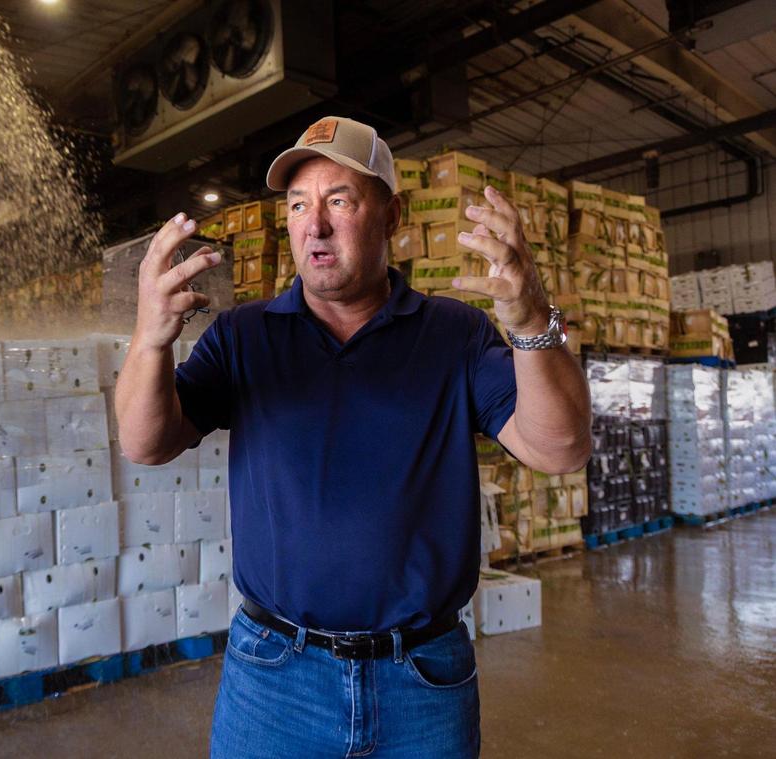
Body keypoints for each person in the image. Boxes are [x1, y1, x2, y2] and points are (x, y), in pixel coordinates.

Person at [115, 116, 592, 758]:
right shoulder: (242, 337)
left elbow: (560, 448)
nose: (314, 225)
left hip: (421, 682)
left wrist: (535, 318)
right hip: (275, 678)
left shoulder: (455, 336)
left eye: (339, 200)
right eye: (297, 205)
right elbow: (146, 442)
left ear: (391, 215)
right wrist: (149, 339)